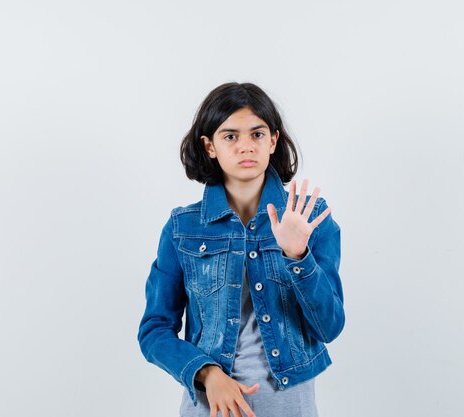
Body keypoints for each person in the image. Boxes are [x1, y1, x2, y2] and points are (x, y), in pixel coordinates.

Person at [137, 82, 345, 417]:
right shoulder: (182, 228)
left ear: (273, 140)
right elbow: (154, 330)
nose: (245, 146)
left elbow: (329, 327)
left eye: (257, 134)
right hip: (210, 407)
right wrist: (205, 372)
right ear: (209, 146)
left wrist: (298, 257)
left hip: (290, 407)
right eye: (230, 136)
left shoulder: (309, 218)